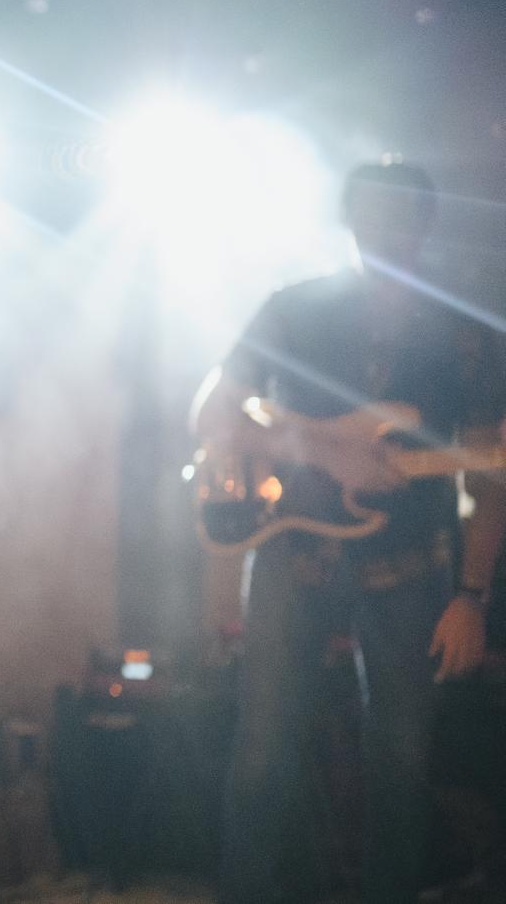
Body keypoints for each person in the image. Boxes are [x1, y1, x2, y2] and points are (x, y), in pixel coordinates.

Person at [190, 160, 506, 904]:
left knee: (401, 768)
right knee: (263, 760)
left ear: (426, 224)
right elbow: (215, 413)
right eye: (370, 212)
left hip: (412, 568)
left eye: (400, 214)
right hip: (292, 552)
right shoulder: (295, 307)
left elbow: (486, 471)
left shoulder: (464, 333)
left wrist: (472, 593)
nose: (383, 228)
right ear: (349, 218)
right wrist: (329, 447)